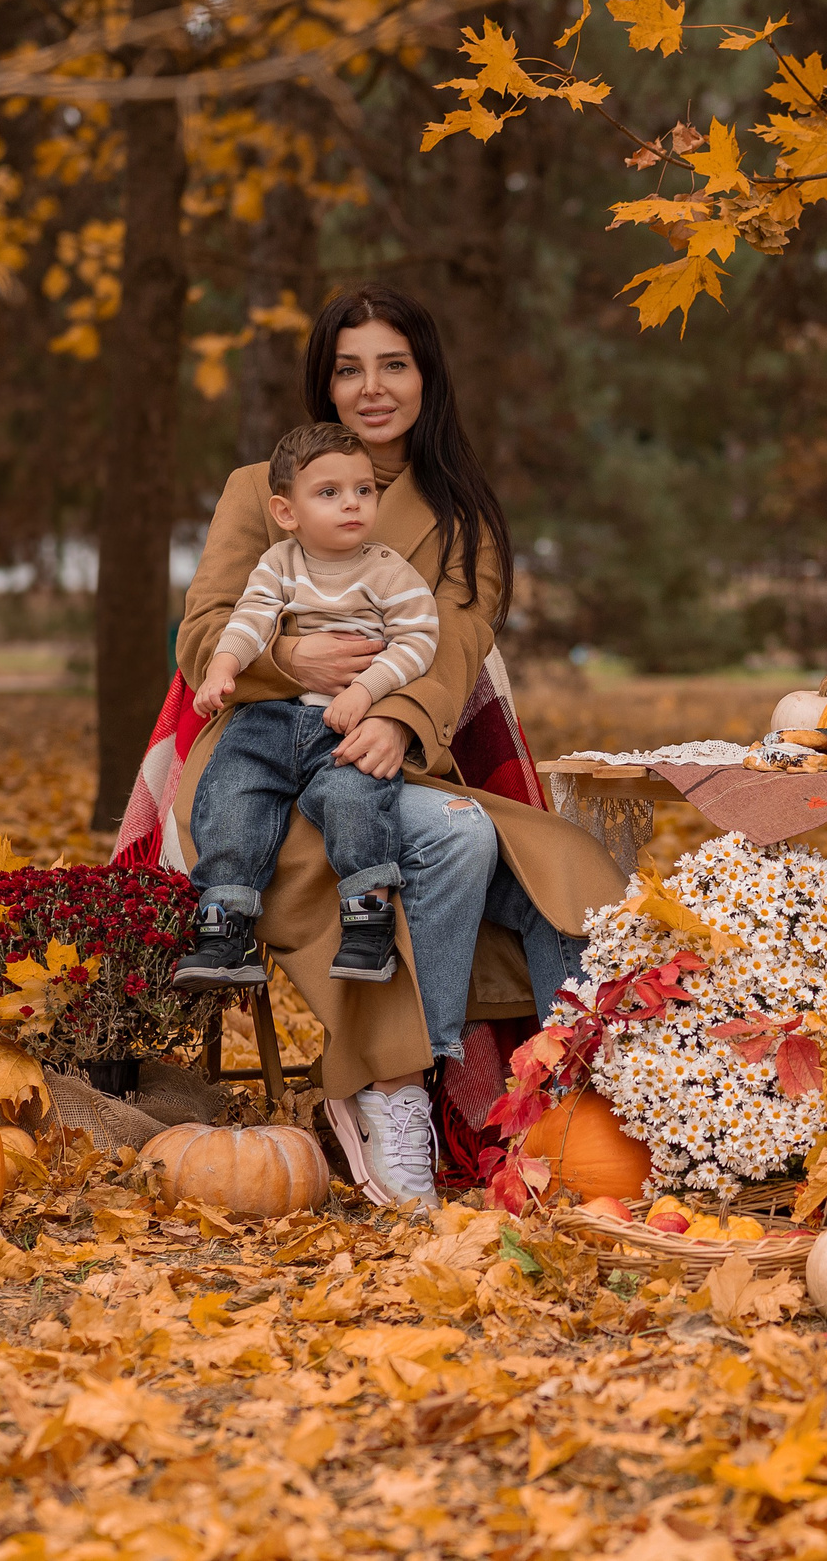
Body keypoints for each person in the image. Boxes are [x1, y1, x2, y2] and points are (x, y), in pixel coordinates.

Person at [171, 284, 624, 1208]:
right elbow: (201, 632)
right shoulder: (260, 491)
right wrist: (288, 651)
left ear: (426, 376)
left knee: (558, 862)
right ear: (324, 384)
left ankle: (580, 1103)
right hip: (256, 767)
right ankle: (391, 1090)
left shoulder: (463, 517)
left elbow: (453, 645)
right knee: (451, 837)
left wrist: (393, 718)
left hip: (390, 754)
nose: (371, 387)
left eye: (393, 364)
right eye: (348, 368)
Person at [175, 421, 444, 992]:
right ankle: (225, 924)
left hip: (342, 722)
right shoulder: (279, 563)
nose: (352, 504)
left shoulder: (387, 569)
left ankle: (368, 919)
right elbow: (248, 617)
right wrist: (225, 666)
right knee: (232, 791)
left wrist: (366, 691)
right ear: (287, 511)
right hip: (270, 716)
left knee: (355, 797)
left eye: (363, 490)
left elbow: (420, 639)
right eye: (330, 493)